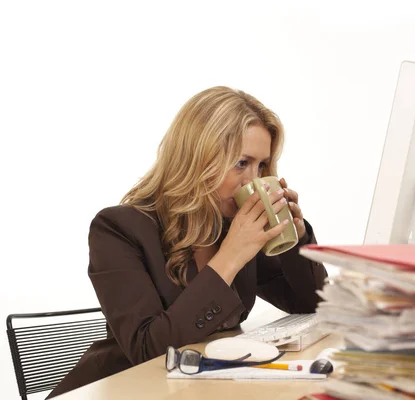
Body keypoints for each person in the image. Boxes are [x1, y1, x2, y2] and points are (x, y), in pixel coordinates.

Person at [47, 86, 328, 398]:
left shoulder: (230, 224)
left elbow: (313, 307)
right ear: (197, 158)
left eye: (261, 166)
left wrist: (296, 238)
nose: (253, 180)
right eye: (241, 163)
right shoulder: (119, 229)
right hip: (122, 388)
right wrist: (230, 258)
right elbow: (148, 350)